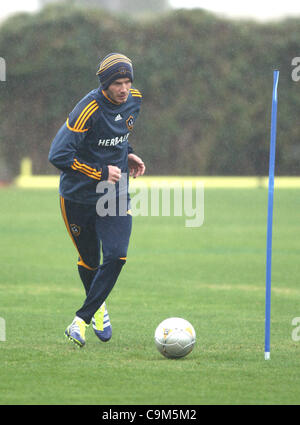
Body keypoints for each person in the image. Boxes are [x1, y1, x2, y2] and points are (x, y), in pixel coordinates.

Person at [48, 53, 145, 347]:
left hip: (113, 194)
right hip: (77, 197)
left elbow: (119, 134)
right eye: (118, 82)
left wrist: (128, 152)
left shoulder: (135, 99)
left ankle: (80, 320)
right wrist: (100, 171)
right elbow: (59, 155)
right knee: (89, 261)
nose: (124, 88)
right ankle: (99, 305)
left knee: (117, 255)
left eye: (128, 81)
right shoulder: (87, 109)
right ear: (105, 84)